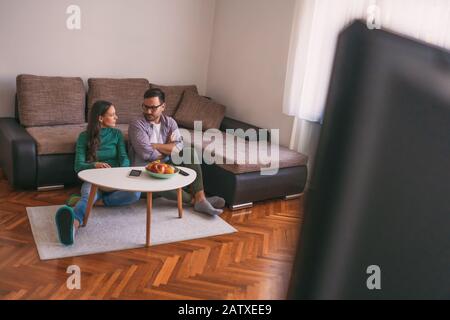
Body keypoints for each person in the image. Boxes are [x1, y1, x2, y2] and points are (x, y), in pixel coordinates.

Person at [55, 100, 141, 246]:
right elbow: (78, 166)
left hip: (115, 178)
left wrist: (120, 173)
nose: (116, 117)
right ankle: (73, 226)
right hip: (94, 179)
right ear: (100, 118)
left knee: (135, 194)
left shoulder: (117, 134)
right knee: (89, 195)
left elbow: (124, 158)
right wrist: (95, 165)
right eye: (112, 115)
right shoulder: (84, 137)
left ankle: (97, 202)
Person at [128, 88, 225, 216]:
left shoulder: (170, 123)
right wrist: (168, 148)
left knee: (188, 152)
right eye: (145, 107)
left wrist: (155, 145)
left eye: (153, 108)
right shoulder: (137, 124)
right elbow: (146, 153)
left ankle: (200, 198)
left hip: (166, 168)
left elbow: (179, 147)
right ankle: (196, 201)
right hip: (144, 175)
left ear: (163, 106)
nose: (148, 111)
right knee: (160, 182)